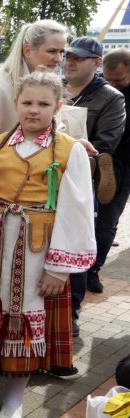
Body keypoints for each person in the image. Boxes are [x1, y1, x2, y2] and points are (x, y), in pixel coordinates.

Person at [0, 71, 95, 418]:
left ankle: (15, 397)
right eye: (27, 102)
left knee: (22, 313)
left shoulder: (69, 150)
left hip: (36, 248)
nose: (34, 110)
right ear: (16, 104)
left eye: (43, 103)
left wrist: (59, 268)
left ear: (58, 106)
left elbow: (76, 209)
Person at [61, 37, 126, 303]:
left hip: (87, 177)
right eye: (68, 56)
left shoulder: (111, 97)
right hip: (48, 174)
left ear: (97, 62)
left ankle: (77, 301)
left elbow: (107, 142)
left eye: (78, 57)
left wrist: (66, 146)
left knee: (83, 235)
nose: (70, 61)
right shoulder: (55, 88)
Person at [0, 20, 67, 162]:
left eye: (61, 52)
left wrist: (72, 145)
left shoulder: (49, 91)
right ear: (28, 50)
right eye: (52, 51)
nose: (59, 58)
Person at [96, 49, 130, 293]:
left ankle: (94, 269)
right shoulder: (103, 92)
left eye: (119, 80)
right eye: (108, 79)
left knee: (108, 219)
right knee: (96, 219)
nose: (113, 84)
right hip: (102, 158)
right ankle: (88, 268)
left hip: (123, 164)